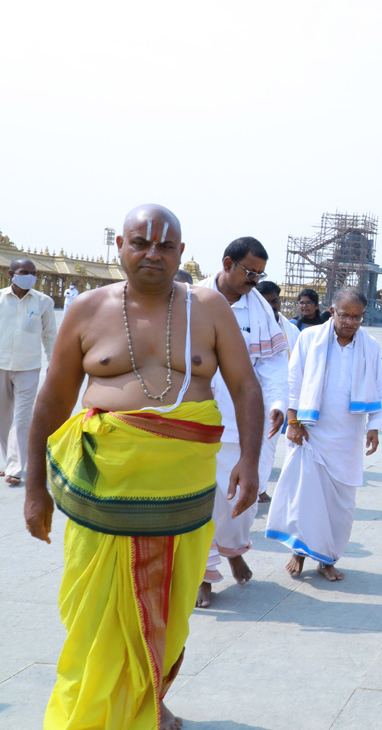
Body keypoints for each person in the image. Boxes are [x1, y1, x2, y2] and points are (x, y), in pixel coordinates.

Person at [24, 203, 263, 730]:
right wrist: (34, 489)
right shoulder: (87, 309)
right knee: (95, 618)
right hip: (103, 495)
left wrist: (249, 459)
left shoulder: (209, 308)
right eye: (140, 242)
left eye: (165, 245)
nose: (153, 253)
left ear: (181, 252)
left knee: (170, 614)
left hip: (184, 495)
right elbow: (51, 400)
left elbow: (246, 385)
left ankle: (147, 700)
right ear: (120, 247)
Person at [266, 288, 382, 582]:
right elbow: (293, 379)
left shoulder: (370, 345)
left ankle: (328, 558)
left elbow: (379, 384)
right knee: (307, 497)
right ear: (332, 311)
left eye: (357, 316)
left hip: (348, 437)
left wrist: (375, 425)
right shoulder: (310, 338)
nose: (350, 322)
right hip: (312, 432)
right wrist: (293, 422)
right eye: (345, 315)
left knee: (341, 506)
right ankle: (300, 552)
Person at [196, 237, 289, 607]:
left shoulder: (259, 311)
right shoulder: (193, 299)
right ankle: (204, 575)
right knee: (201, 497)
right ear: (227, 263)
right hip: (200, 416)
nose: (254, 281)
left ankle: (233, 549)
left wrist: (279, 401)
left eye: (260, 274)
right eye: (250, 272)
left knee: (242, 500)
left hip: (247, 423)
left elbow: (274, 363)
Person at [1, 258, 57, 486]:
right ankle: (5, 462)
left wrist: (54, 363)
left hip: (29, 368)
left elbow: (50, 335)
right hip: (0, 365)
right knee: (1, 417)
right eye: (25, 272)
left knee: (22, 418)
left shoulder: (44, 302)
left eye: (33, 273)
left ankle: (16, 467)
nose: (30, 276)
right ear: (12, 274)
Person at [253, 280, 300, 502]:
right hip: (250, 393)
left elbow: (298, 364)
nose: (271, 306)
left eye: (275, 301)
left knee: (268, 443)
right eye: (266, 302)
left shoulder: (291, 329)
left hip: (279, 396)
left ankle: (260, 488)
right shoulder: (249, 322)